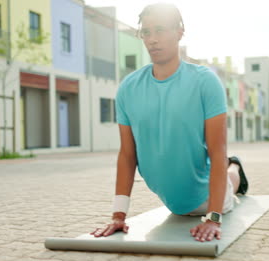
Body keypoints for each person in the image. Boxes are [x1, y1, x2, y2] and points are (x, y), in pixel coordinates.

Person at [90, 3, 248, 243]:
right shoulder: (128, 88)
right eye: (146, 32)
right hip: (172, 201)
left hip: (206, 195)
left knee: (229, 182)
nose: (152, 39)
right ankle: (231, 168)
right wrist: (118, 215)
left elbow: (217, 152)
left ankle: (235, 168)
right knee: (200, 192)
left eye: (160, 30)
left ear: (179, 32)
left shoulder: (205, 82)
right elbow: (127, 155)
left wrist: (214, 218)